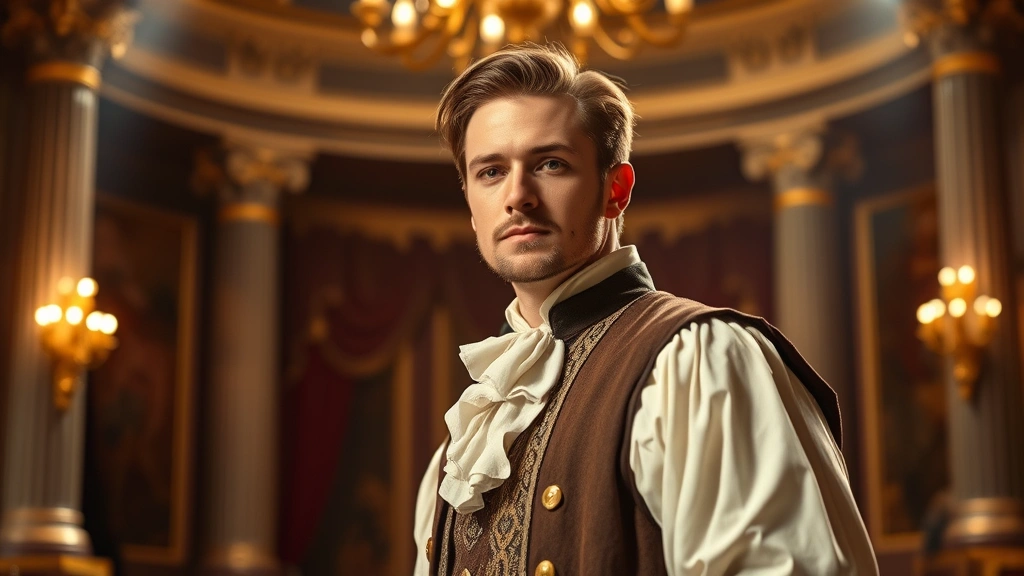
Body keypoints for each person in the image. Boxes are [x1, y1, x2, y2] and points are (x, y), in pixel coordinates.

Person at [413, 43, 878, 575]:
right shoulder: (463, 442)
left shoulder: (700, 362)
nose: (518, 195)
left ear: (617, 189)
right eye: (491, 172)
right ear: (471, 207)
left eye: (550, 163)